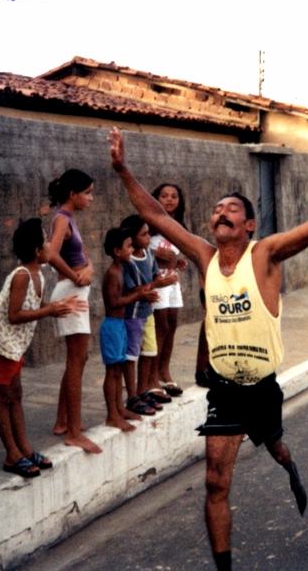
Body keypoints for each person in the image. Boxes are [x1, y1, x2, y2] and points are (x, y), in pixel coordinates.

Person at [108, 126, 308, 571]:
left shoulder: (265, 254)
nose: (220, 214)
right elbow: (158, 217)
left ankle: (286, 460)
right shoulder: (203, 255)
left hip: (262, 385)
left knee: (274, 446)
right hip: (225, 387)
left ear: (249, 224)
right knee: (216, 481)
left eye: (231, 209)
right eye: (216, 210)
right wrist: (123, 171)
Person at [0, 219, 86, 478]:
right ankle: (11, 455)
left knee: (16, 396)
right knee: (3, 398)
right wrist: (50, 310)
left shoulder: (38, 273)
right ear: (38, 252)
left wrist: (58, 307)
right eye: (46, 242)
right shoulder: (21, 276)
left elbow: (35, 310)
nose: (51, 245)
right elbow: (15, 315)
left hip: (13, 347)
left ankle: (24, 449)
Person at [47, 169, 102, 453]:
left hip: (76, 290)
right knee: (76, 361)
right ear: (73, 194)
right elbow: (50, 254)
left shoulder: (69, 219)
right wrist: (74, 276)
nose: (91, 198)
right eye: (87, 192)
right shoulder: (60, 219)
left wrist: (89, 269)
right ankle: (72, 433)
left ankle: (63, 421)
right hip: (70, 293)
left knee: (78, 361)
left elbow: (84, 257)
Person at [99, 227, 159, 430]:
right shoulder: (112, 273)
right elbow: (114, 302)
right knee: (112, 372)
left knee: (117, 371)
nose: (132, 250)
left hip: (120, 325)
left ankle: (119, 409)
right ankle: (112, 414)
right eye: (128, 246)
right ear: (117, 251)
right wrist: (138, 296)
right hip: (112, 326)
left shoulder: (120, 270)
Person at [119, 214, 178, 413]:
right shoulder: (127, 262)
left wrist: (166, 279)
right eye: (144, 235)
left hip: (148, 313)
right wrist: (156, 285)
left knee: (150, 352)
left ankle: (143, 391)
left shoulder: (149, 255)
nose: (148, 238)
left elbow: (154, 277)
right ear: (132, 238)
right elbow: (130, 291)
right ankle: (133, 396)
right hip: (133, 315)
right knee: (132, 355)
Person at [149, 182, 189, 398]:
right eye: (164, 195)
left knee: (172, 324)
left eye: (174, 196)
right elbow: (138, 249)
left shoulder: (178, 225)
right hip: (157, 281)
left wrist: (179, 261)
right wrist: (155, 257)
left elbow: (173, 250)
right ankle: (151, 375)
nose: (169, 199)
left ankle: (164, 370)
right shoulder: (150, 222)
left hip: (172, 281)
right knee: (160, 325)